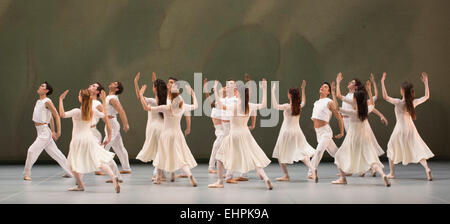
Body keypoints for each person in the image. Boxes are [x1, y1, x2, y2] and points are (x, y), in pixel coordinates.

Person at [209, 79, 273, 190]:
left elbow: (219, 104)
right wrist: (264, 90)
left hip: (234, 134)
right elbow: (263, 104)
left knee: (220, 158)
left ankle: (220, 181)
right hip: (246, 134)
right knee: (255, 159)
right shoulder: (249, 105)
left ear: (238, 93)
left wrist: (215, 91)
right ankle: (266, 178)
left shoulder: (235, 106)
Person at [59, 89, 120, 193]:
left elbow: (62, 114)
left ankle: (80, 185)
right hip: (89, 139)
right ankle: (114, 178)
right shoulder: (92, 111)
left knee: (72, 165)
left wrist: (60, 100)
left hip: (77, 140)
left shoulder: (77, 111)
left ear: (80, 98)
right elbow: (104, 114)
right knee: (98, 161)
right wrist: (104, 101)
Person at [331, 81, 391, 187]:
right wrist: (369, 90)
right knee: (372, 160)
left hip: (353, 138)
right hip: (365, 138)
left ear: (355, 100)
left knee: (339, 156)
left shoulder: (353, 112)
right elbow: (372, 104)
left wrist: (333, 92)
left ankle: (342, 178)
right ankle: (383, 175)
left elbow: (336, 108)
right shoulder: (366, 111)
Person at [139, 83, 199, 186]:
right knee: (180, 158)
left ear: (170, 96)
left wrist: (141, 94)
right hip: (178, 135)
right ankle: (189, 175)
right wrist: (193, 94)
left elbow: (146, 108)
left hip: (166, 134)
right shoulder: (182, 106)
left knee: (160, 156)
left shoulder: (166, 107)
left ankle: (158, 178)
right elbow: (195, 106)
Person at [381, 72, 434, 181]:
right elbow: (427, 96)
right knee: (417, 149)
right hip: (411, 129)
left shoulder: (399, 102)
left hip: (400, 128)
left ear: (403, 91)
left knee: (390, 147)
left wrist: (382, 82)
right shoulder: (413, 103)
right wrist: (426, 83)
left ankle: (392, 173)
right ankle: (427, 169)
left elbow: (385, 97)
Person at [23, 82, 73, 181]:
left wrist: (58, 132)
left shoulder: (47, 101)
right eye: (40, 85)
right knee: (56, 153)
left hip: (44, 133)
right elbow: (50, 118)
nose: (39, 87)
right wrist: (53, 131)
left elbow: (56, 115)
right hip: (42, 131)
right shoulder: (39, 101)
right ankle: (71, 172)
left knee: (31, 151)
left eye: (42, 86)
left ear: (46, 91)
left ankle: (27, 174)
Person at [272, 80, 317, 182]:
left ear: (290, 95)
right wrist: (303, 89)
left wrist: (273, 91)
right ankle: (312, 169)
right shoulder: (299, 106)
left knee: (279, 154)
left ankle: (286, 175)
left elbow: (275, 106)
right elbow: (304, 101)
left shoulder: (287, 107)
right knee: (302, 153)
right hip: (297, 132)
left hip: (286, 132)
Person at [134, 72, 167, 181]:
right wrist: (154, 81)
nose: (152, 88)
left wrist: (140, 90)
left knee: (158, 151)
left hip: (154, 128)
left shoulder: (153, 102)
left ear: (155, 89)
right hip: (162, 127)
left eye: (153, 86)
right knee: (160, 150)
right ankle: (161, 174)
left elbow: (140, 98)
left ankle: (158, 174)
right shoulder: (164, 100)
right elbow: (157, 94)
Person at [308, 81, 344, 179]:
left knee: (319, 151)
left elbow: (339, 117)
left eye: (325, 87)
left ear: (328, 92)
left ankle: (311, 172)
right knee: (335, 153)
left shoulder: (329, 101)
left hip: (326, 132)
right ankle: (346, 168)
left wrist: (342, 131)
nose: (322, 88)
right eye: (322, 86)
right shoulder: (316, 103)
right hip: (318, 132)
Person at [87, 82, 123, 183]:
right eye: (91, 85)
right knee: (99, 154)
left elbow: (106, 119)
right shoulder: (87, 101)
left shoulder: (97, 104)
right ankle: (116, 176)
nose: (90, 86)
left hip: (93, 134)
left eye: (93, 86)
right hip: (86, 132)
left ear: (97, 91)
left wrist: (109, 136)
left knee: (102, 155)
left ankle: (116, 176)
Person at [103, 81, 132, 174]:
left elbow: (121, 111)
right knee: (119, 147)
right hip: (110, 123)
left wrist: (126, 124)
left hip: (112, 125)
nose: (111, 83)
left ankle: (100, 168)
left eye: (114, 84)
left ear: (117, 89)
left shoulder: (112, 99)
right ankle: (127, 168)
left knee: (105, 145)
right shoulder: (109, 97)